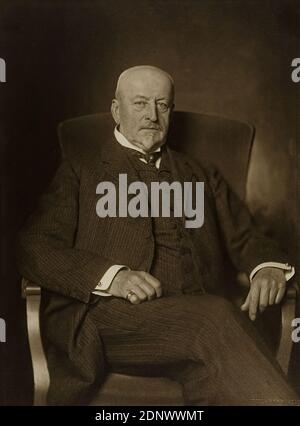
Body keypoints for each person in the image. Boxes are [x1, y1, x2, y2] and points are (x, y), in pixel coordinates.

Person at [18, 65, 298, 405]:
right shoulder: (82, 169)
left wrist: (267, 266)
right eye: (139, 104)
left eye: (162, 105)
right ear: (115, 110)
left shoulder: (201, 174)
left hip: (195, 328)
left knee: (216, 375)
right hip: (111, 321)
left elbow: (247, 238)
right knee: (215, 317)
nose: (152, 115)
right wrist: (112, 277)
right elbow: (34, 248)